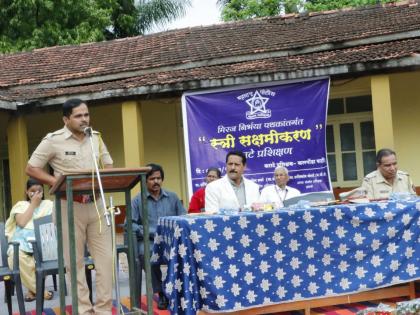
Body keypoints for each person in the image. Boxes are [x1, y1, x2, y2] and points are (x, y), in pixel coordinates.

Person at [26, 98, 114, 315]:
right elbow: (32, 168)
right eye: (78, 116)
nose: (84, 119)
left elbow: (109, 165)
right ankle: (83, 311)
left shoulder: (96, 137)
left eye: (86, 114)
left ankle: (103, 310)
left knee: (106, 261)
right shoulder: (53, 140)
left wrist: (110, 176)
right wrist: (54, 182)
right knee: (74, 264)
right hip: (68, 207)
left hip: (97, 205)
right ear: (66, 119)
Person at [128, 163, 185, 310]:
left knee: (185, 255)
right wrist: (148, 231)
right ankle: (161, 293)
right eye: (152, 179)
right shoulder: (137, 200)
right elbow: (129, 224)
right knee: (148, 257)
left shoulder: (172, 197)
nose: (156, 182)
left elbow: (184, 217)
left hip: (171, 240)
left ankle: (182, 291)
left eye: (159, 178)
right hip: (148, 241)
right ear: (145, 181)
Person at [5, 178, 53, 302]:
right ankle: (40, 291)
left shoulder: (48, 204)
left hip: (43, 243)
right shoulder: (20, 205)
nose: (36, 194)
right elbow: (21, 223)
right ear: (27, 192)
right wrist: (33, 204)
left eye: (39, 191)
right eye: (33, 191)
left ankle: (33, 291)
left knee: (43, 256)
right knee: (15, 258)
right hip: (21, 244)